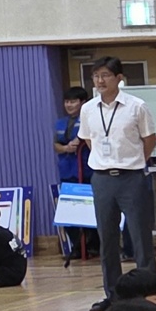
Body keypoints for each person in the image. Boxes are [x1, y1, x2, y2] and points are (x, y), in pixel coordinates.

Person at [78, 57, 156, 311]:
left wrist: (133, 162)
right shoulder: (89, 108)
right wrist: (106, 161)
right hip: (102, 179)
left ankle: (149, 294)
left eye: (105, 75)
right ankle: (113, 294)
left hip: (132, 177)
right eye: (96, 76)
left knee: (139, 238)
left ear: (119, 78)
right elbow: (89, 140)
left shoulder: (137, 106)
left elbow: (149, 139)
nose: (100, 81)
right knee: (107, 239)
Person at [53, 84, 96, 259]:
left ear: (83, 102)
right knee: (70, 211)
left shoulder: (90, 119)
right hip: (67, 172)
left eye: (73, 101)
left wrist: (78, 143)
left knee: (92, 211)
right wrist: (65, 148)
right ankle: (77, 247)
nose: (69, 105)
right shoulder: (60, 123)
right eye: (67, 102)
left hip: (87, 172)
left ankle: (93, 246)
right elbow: (55, 144)